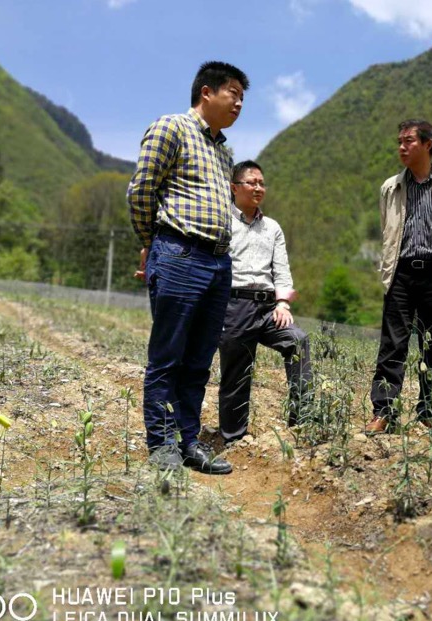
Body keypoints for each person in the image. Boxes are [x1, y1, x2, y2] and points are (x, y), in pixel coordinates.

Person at [127, 61, 249, 474]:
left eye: (242, 96)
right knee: (169, 356)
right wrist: (152, 243)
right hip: (179, 254)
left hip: (218, 262)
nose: (239, 101)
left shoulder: (224, 150)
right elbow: (141, 191)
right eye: (232, 92)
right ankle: (161, 444)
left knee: (198, 360)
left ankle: (188, 442)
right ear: (206, 92)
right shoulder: (171, 128)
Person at [366, 120, 432, 435]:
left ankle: (429, 412)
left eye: (409, 141)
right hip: (400, 273)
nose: (402, 147)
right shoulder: (390, 188)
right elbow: (388, 230)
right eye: (399, 141)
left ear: (427, 144)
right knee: (392, 345)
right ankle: (384, 411)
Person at [218, 160, 312, 443]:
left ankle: (302, 420)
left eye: (261, 183)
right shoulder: (221, 220)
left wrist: (283, 303)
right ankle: (234, 438)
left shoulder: (272, 228)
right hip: (234, 305)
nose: (258, 188)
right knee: (237, 374)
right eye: (252, 182)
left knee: (297, 341)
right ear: (235, 188)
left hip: (269, 307)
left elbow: (282, 270)